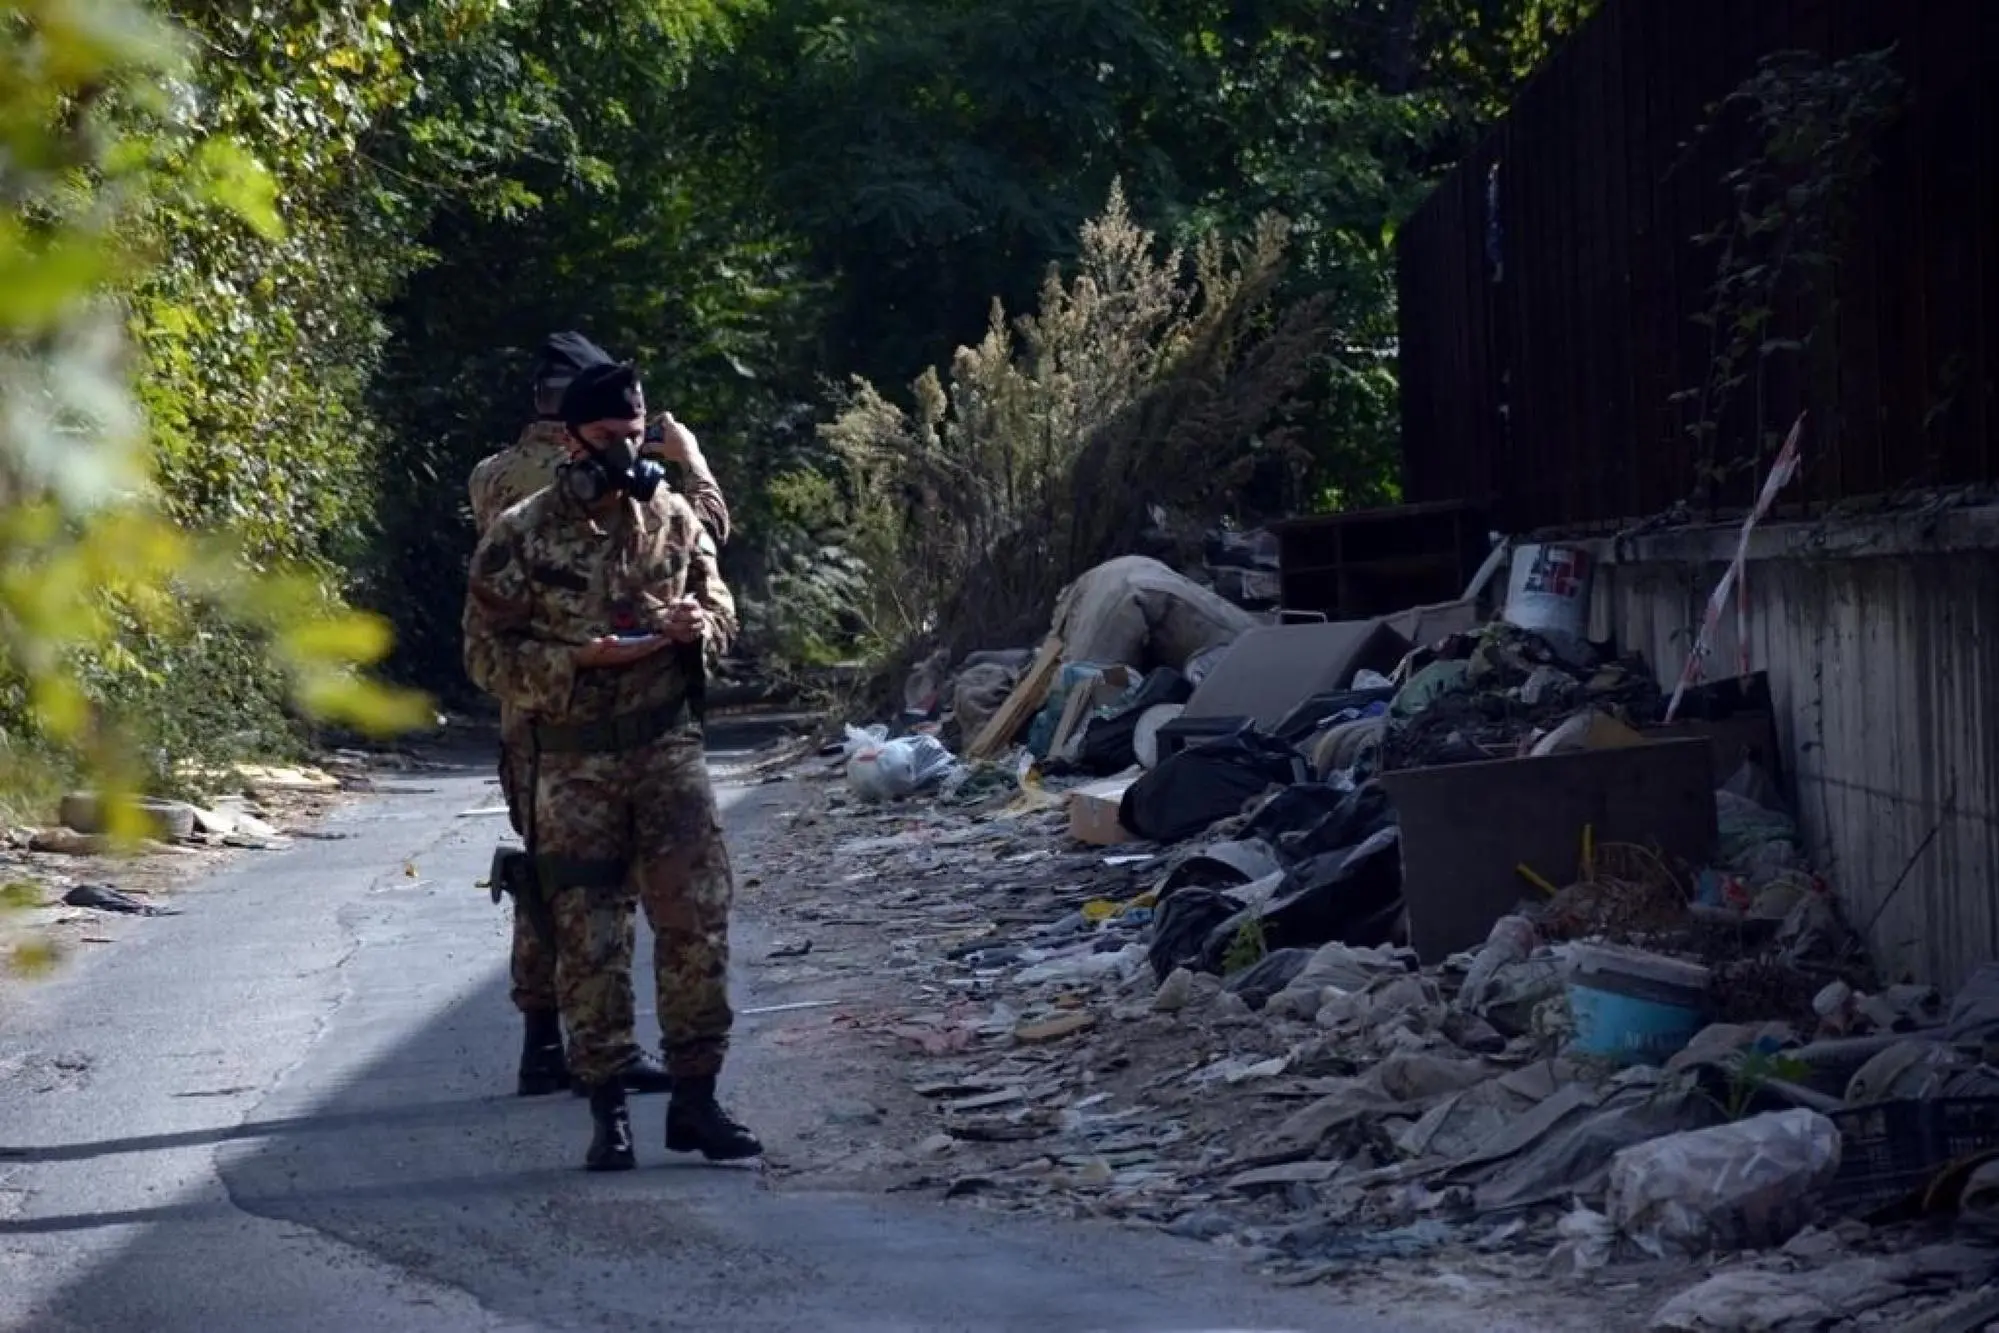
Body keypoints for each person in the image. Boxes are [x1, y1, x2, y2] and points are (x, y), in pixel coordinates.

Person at [462, 359, 761, 1170]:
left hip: (667, 750)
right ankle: (607, 1107)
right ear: (569, 439)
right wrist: (574, 660)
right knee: (589, 937)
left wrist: (702, 625)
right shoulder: (521, 531)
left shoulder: (670, 516)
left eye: (636, 437)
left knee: (696, 920)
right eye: (609, 438)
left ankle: (697, 1098)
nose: (627, 454)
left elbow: (721, 603)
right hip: (574, 763)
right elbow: (485, 651)